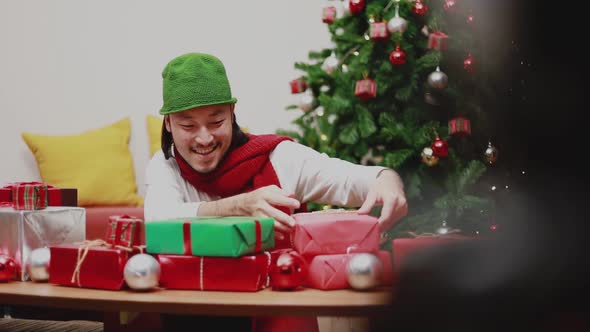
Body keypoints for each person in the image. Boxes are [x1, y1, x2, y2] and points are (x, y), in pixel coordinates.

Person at [143, 52, 408, 331]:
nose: (205, 138)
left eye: (216, 122)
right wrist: (238, 206)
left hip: (274, 308)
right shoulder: (165, 166)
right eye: (187, 125)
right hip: (195, 315)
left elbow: (354, 179)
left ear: (232, 115)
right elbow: (158, 219)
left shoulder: (278, 158)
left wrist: (387, 179)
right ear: (169, 124)